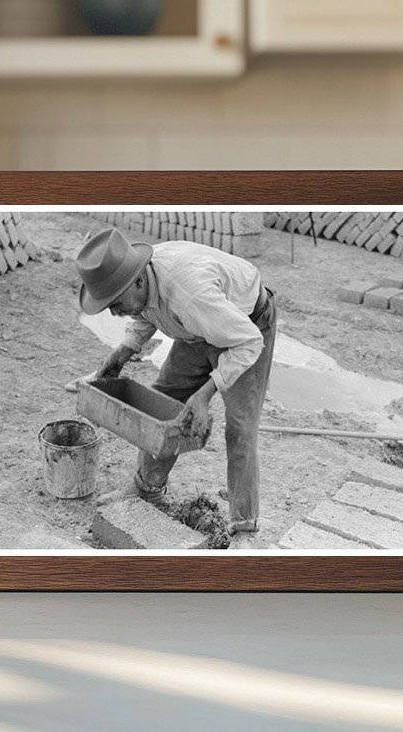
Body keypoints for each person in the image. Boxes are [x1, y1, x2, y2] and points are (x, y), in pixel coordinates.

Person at [76, 226, 276, 535]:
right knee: (161, 403)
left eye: (115, 304)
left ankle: (244, 525)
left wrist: (205, 394)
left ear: (139, 280)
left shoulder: (189, 294)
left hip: (247, 327)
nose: (115, 313)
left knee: (239, 431)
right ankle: (147, 488)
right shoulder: (142, 280)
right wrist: (116, 360)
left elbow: (248, 342)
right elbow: (143, 314)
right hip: (197, 330)